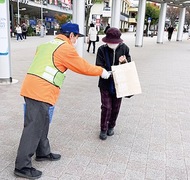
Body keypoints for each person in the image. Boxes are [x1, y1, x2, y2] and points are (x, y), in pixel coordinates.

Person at [14, 22, 111, 179]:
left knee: (43, 122)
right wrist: (101, 71)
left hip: (34, 87)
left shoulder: (46, 44)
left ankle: (43, 152)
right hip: (40, 90)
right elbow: (82, 67)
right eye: (77, 37)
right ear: (71, 35)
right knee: (33, 127)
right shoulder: (65, 48)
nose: (77, 40)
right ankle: (22, 166)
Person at [95, 27, 131, 140]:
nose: (111, 44)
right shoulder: (101, 49)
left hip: (119, 83)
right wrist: (105, 72)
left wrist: (124, 62)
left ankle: (111, 126)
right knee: (106, 107)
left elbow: (128, 65)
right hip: (105, 83)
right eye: (109, 41)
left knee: (116, 107)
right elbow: (98, 66)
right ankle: (103, 128)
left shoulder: (125, 49)